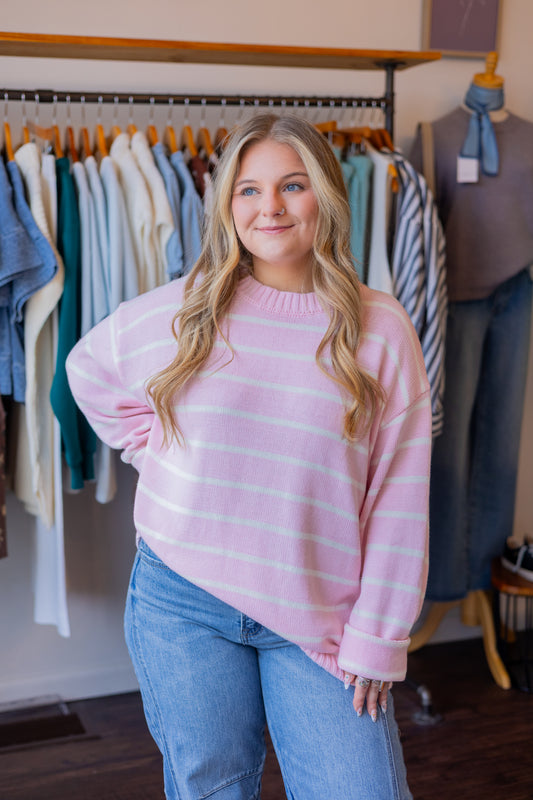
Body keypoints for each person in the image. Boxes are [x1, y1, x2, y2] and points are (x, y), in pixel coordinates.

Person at [67, 113, 431, 800]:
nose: (269, 207)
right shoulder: (185, 311)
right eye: (247, 190)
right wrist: (167, 457)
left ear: (324, 193)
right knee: (212, 790)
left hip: (319, 614)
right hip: (182, 602)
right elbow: (87, 372)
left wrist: (379, 638)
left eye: (291, 185)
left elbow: (399, 497)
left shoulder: (379, 328)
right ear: (225, 205)